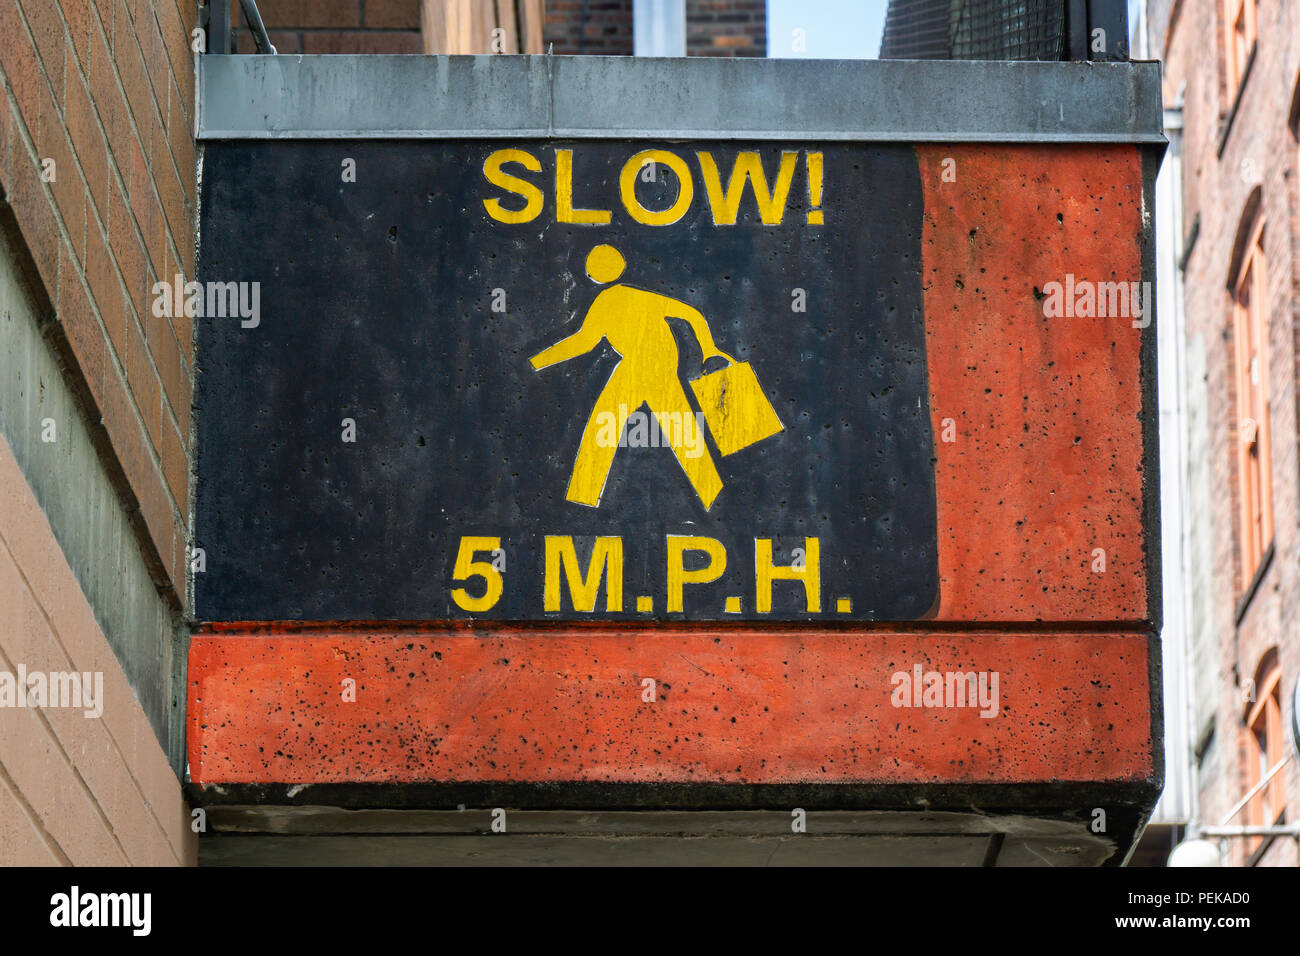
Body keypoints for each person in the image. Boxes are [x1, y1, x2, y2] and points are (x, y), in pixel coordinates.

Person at [530, 244, 726, 509]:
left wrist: (538, 362)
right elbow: (692, 314)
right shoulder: (621, 298)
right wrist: (538, 362)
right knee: (676, 428)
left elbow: (584, 343)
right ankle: (711, 491)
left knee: (605, 425)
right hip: (650, 366)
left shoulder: (613, 298)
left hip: (649, 366)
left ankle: (584, 496)